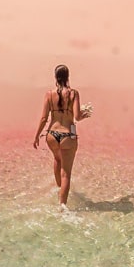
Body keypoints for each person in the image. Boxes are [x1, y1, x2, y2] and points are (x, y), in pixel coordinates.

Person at [33, 64, 91, 207]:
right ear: (67, 77)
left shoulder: (49, 94)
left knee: (57, 160)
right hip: (67, 134)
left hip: (52, 134)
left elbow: (43, 118)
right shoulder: (74, 93)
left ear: (55, 77)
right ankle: (62, 207)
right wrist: (85, 114)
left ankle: (60, 190)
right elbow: (76, 116)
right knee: (66, 173)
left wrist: (36, 136)